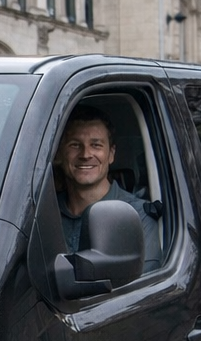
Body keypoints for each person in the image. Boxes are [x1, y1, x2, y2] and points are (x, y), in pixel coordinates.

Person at [54, 105, 159, 272]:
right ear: (59, 154)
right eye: (75, 145)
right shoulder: (44, 214)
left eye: (96, 145)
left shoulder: (137, 216)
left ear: (111, 154)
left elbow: (145, 289)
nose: (85, 154)